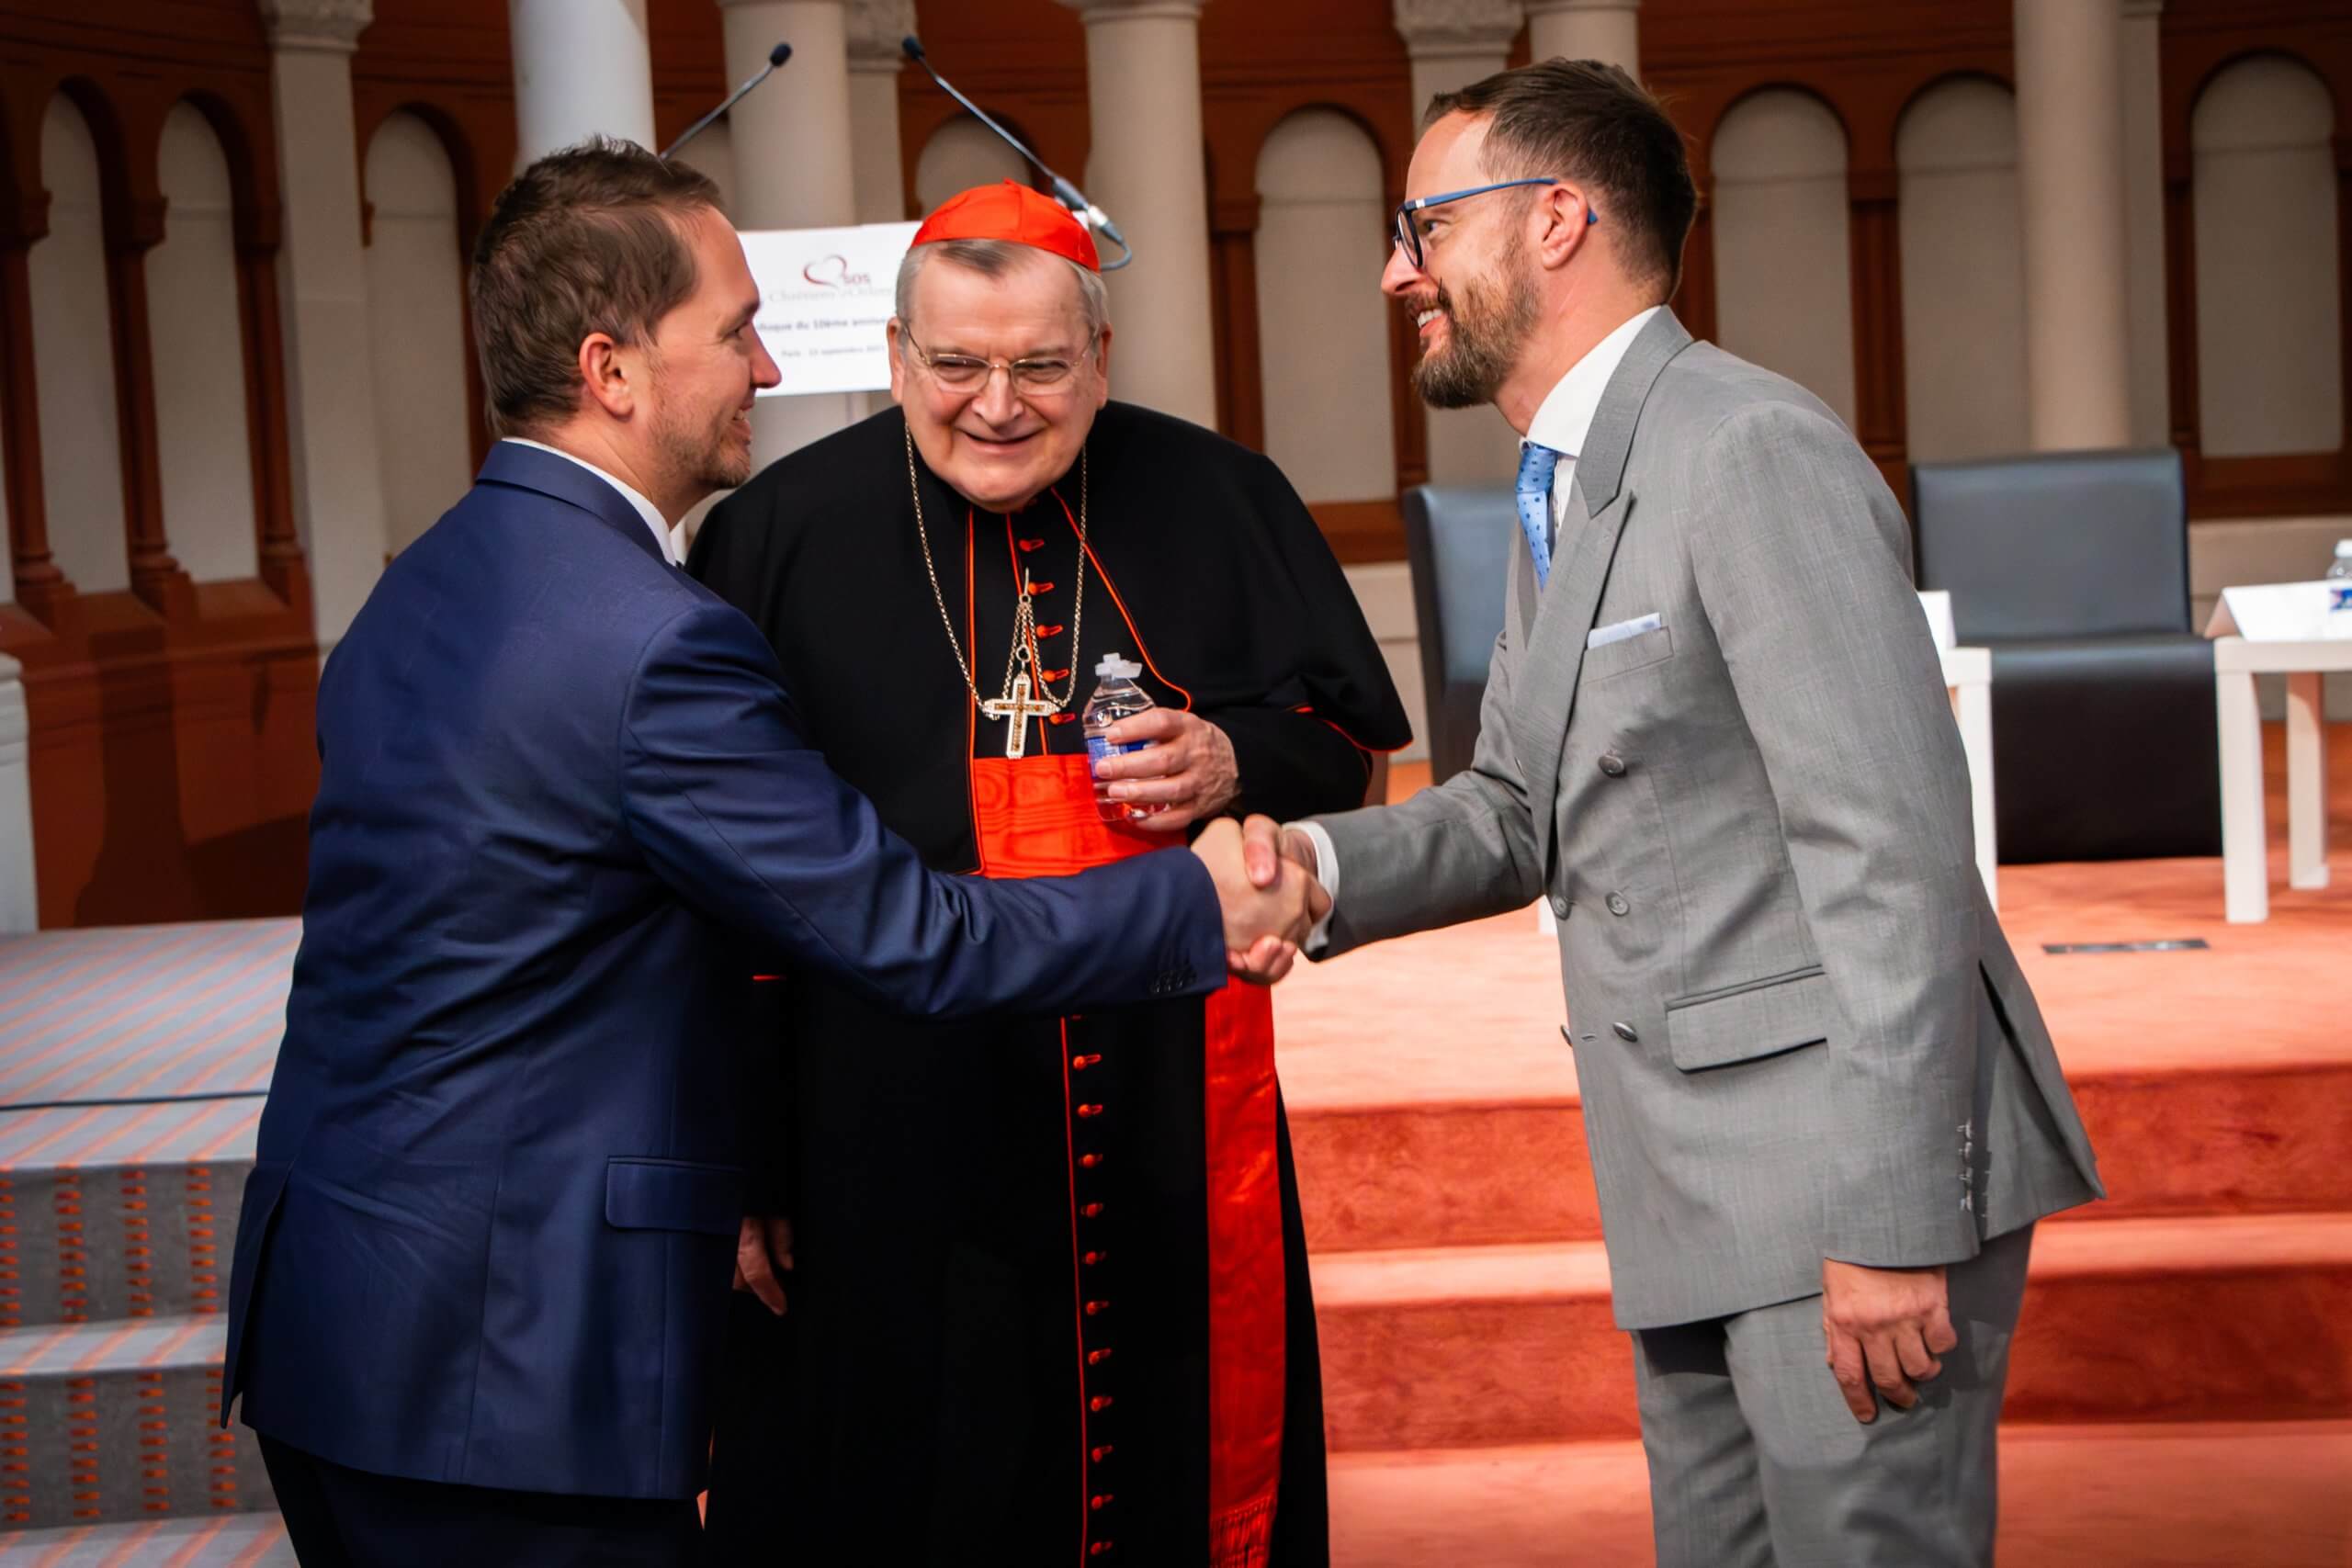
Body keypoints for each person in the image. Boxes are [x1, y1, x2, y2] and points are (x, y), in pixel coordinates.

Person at [220, 141, 1321, 1568]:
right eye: (735, 332)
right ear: (614, 371)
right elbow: (917, 938)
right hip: (505, 1357)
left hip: (348, 1319)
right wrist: (1199, 900)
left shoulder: (428, 578)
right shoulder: (655, 638)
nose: (764, 368)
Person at [1244, 61, 2104, 1567]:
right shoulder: (1566, 477)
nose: (1399, 271)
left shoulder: (1747, 448)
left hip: (1842, 1184)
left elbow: (1893, 857)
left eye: (1422, 224)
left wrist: (1894, 1220)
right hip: (1686, 1184)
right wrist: (1306, 864)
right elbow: (1517, 806)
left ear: (1557, 219)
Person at [687, 181, 1408, 1566]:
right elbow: (717, 891)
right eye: (955, 365)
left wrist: (1230, 758)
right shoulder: (777, 536)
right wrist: (745, 1151)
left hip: (1164, 1098)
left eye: (1039, 365)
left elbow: (1346, 746)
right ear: (897, 358)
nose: (997, 404)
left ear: (1103, 355)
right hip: (871, 1107)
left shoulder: (1217, 492)